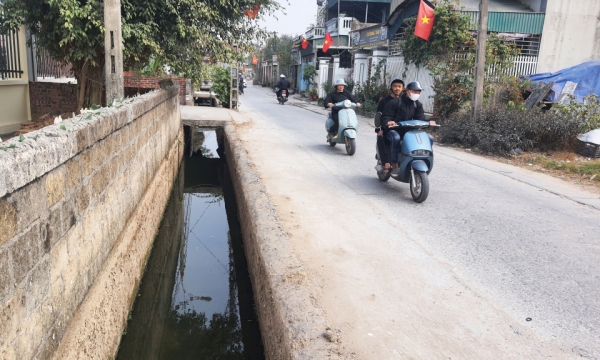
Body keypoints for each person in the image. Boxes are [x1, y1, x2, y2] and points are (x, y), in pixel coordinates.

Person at [381, 81, 436, 174]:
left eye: (418, 92)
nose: (416, 94)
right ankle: (394, 163)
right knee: (396, 138)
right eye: (414, 91)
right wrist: (388, 122)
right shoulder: (394, 103)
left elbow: (421, 118)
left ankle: (425, 159)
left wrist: (428, 122)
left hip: (410, 131)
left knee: (429, 138)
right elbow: (385, 117)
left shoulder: (417, 104)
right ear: (407, 91)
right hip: (394, 130)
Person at [376, 78, 404, 173]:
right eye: (395, 86)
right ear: (391, 88)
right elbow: (379, 115)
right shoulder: (384, 101)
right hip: (386, 127)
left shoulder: (405, 101)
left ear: (403, 88)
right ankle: (386, 163)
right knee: (382, 137)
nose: (397, 88)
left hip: (401, 127)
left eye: (399, 86)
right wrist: (379, 128)